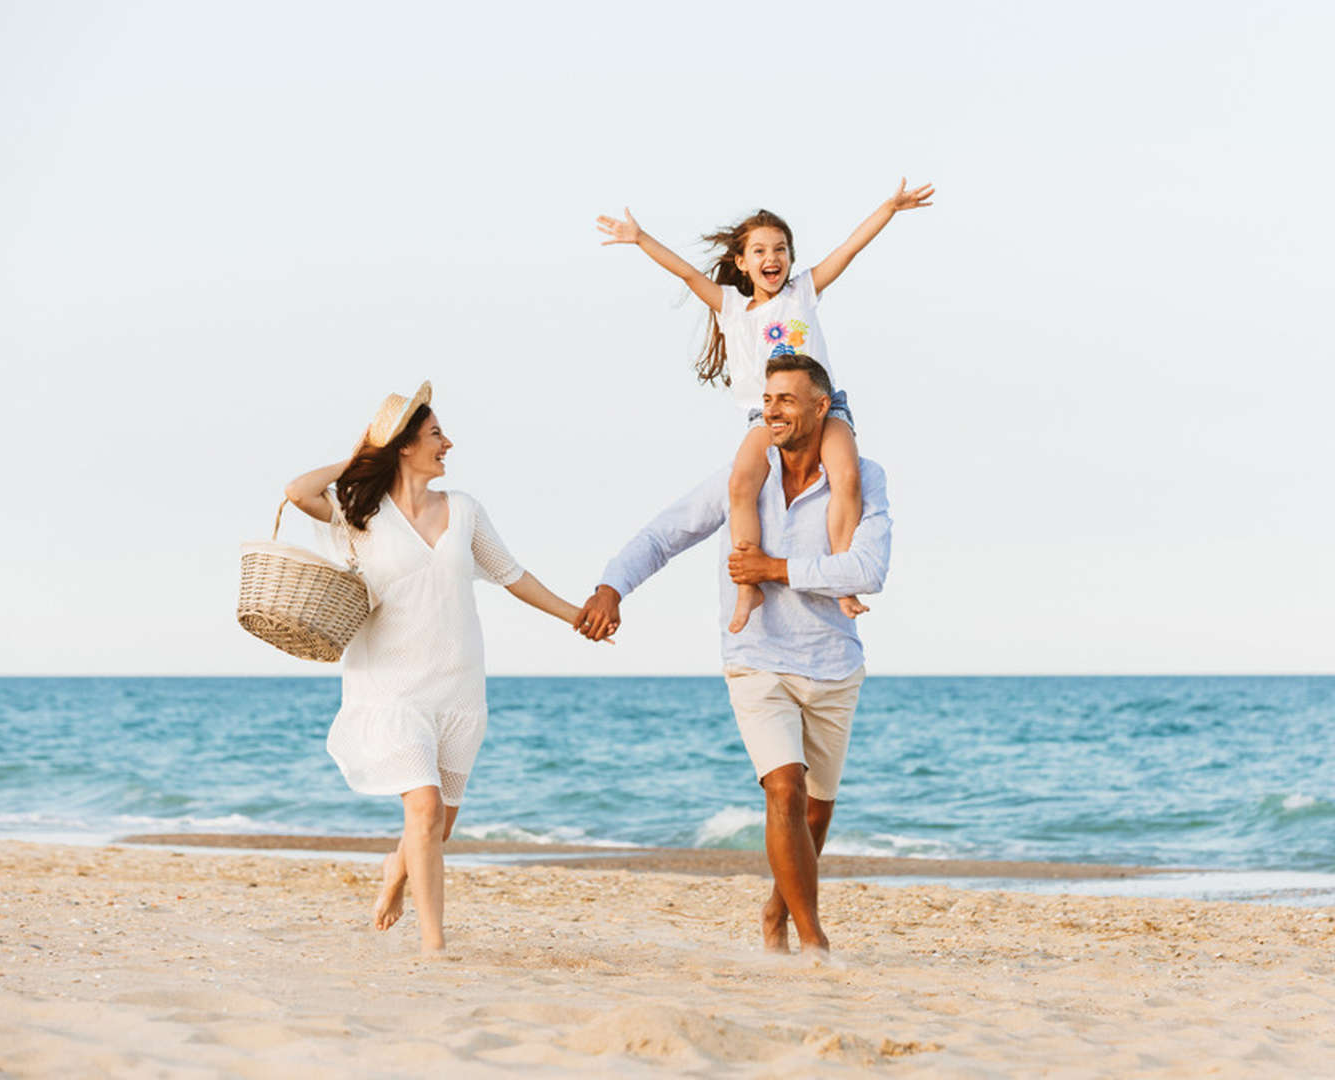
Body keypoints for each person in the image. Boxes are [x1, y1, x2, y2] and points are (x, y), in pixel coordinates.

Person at [575, 356, 892, 956]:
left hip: (833, 663)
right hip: (757, 656)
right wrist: (612, 586)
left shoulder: (864, 477)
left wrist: (774, 569)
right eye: (767, 399)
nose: (771, 410)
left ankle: (776, 910)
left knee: (815, 814)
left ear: (822, 408)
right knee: (783, 790)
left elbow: (869, 571)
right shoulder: (743, 477)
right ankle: (813, 941)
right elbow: (665, 533)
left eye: (787, 400)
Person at [284, 381, 598, 956]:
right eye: (434, 434)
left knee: (436, 826)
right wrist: (360, 455)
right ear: (404, 445)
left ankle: (396, 874)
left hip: (457, 687)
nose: (447, 443)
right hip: (389, 687)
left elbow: (513, 576)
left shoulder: (465, 510)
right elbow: (299, 491)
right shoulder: (361, 516)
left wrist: (574, 615)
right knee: (424, 808)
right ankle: (434, 945)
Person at [596, 179, 928, 633]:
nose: (771, 258)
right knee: (740, 485)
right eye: (759, 251)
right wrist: (640, 239)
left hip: (823, 410)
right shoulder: (732, 307)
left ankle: (842, 578)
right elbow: (687, 274)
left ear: (790, 258)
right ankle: (748, 585)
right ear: (741, 262)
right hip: (763, 416)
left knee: (846, 476)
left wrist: (888, 208)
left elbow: (848, 250)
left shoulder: (803, 292)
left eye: (781, 249)